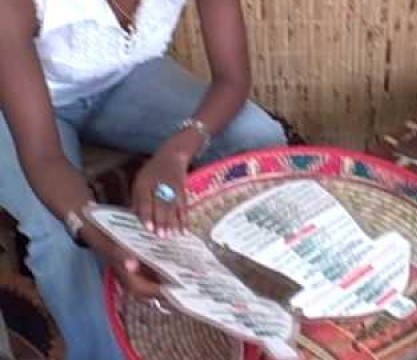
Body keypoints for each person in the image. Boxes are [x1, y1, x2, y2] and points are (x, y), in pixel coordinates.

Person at [0, 0, 287, 359]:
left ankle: (260, 310)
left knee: (257, 137)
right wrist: (102, 235)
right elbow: (44, 157)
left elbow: (233, 79)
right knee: (60, 238)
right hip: (14, 105)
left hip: (122, 78)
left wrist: (177, 151)